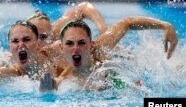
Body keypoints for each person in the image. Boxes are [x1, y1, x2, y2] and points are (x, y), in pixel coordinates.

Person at [40, 17, 178, 91]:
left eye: (82, 43)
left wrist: (165, 25)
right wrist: (46, 90)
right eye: (70, 44)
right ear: (62, 47)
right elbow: (54, 85)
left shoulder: (99, 49)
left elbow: (127, 22)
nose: (76, 48)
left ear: (91, 45)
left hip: (133, 69)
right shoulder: (66, 78)